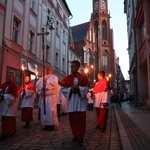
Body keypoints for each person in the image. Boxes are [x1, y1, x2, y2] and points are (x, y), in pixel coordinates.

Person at [59, 60, 89, 144]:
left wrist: (79, 89)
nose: (72, 68)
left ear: (78, 67)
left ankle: (80, 136)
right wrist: (70, 89)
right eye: (71, 66)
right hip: (72, 101)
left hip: (80, 103)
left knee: (81, 121)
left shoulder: (83, 78)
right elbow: (63, 88)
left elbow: (86, 89)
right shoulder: (68, 78)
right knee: (73, 121)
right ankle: (75, 135)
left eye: (74, 66)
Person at [36, 66, 59, 131]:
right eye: (46, 69)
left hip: (50, 96)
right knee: (44, 111)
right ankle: (46, 124)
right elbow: (37, 85)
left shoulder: (54, 77)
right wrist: (42, 86)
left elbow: (55, 85)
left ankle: (51, 124)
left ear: (51, 70)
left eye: (49, 69)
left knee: (50, 110)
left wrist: (47, 83)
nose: (47, 70)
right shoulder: (42, 78)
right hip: (44, 97)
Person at [0, 71, 18, 140]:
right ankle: (9, 131)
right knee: (5, 119)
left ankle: (6, 133)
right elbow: (1, 90)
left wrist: (3, 95)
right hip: (4, 104)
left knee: (9, 119)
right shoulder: (4, 84)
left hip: (10, 105)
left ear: (13, 77)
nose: (8, 77)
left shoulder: (14, 85)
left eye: (10, 76)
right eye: (7, 76)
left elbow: (13, 96)